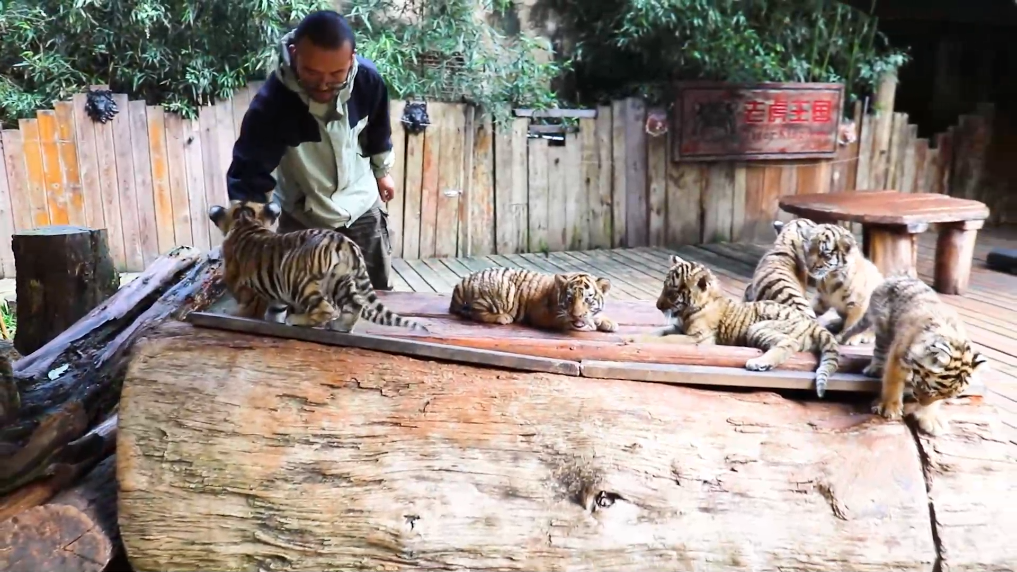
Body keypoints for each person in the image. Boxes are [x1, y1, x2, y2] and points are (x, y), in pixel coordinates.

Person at [225, 9, 397, 290]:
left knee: (375, 295)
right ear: (295, 54)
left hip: (362, 206)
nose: (324, 84)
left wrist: (382, 172)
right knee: (304, 299)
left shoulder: (369, 81)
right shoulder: (272, 104)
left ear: (351, 59)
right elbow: (249, 174)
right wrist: (248, 231)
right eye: (312, 73)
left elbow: (378, 131)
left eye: (336, 74)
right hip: (304, 217)